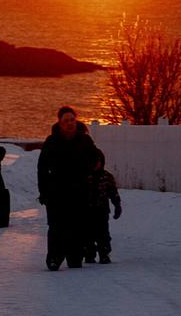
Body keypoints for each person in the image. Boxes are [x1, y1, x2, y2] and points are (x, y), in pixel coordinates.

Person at [37, 106, 101, 270]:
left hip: (79, 190)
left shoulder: (85, 140)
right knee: (57, 226)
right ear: (59, 123)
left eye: (72, 120)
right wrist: (43, 191)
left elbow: (97, 160)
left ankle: (75, 258)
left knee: (78, 225)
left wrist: (90, 171)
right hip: (56, 191)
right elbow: (42, 168)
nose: (70, 123)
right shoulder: (51, 141)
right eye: (66, 121)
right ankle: (54, 258)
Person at [83, 152, 122, 264]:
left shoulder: (106, 176)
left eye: (98, 162)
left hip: (101, 211)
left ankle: (104, 253)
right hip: (87, 211)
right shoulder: (84, 176)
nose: (96, 164)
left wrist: (117, 204)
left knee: (103, 234)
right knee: (87, 234)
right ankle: (89, 254)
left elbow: (113, 192)